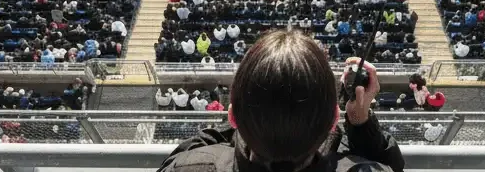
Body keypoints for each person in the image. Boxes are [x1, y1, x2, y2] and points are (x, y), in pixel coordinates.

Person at [157, 31, 404, 172]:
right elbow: (392, 167)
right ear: (333, 120)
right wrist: (360, 122)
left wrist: (247, 118)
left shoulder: (189, 168)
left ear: (232, 116)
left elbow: (185, 153)